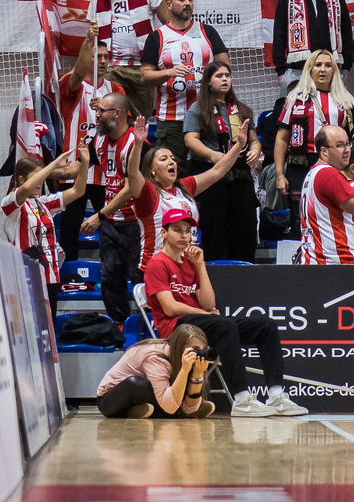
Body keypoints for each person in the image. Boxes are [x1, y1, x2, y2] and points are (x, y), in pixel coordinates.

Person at [144, 207, 306, 417]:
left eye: (187, 231)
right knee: (225, 324)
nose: (184, 236)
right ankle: (242, 399)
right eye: (177, 230)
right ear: (164, 233)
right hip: (176, 329)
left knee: (266, 326)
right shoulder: (157, 263)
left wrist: (200, 266)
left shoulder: (191, 264)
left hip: (197, 324)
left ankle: (275, 395)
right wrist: (206, 314)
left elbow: (208, 303)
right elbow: (170, 308)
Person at [274, 50, 354, 239]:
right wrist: (280, 174)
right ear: (309, 69)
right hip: (301, 165)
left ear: (334, 70)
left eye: (328, 65)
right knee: (299, 218)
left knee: (336, 214)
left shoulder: (347, 100)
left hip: (337, 165)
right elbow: (281, 138)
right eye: (318, 65)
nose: (323, 69)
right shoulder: (294, 99)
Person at [133, 131, 249, 271]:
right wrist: (138, 145)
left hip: (189, 269)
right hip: (157, 269)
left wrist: (239, 144)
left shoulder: (185, 187)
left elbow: (217, 171)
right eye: (164, 159)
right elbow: (133, 174)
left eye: (172, 158)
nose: (171, 162)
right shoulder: (147, 193)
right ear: (152, 169)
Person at [182, 63, 262, 263]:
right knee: (214, 225)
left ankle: (244, 267)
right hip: (209, 173)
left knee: (245, 225)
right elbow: (190, 140)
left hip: (239, 173)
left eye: (227, 75)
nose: (225, 79)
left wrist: (255, 150)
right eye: (219, 76)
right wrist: (212, 154)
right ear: (209, 82)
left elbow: (253, 140)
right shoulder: (197, 108)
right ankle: (215, 270)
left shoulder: (241, 109)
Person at [140, 0, 230, 158]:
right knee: (174, 169)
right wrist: (169, 73)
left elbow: (225, 65)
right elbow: (144, 76)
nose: (187, 3)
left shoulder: (207, 31)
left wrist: (211, 76)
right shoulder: (157, 37)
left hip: (207, 114)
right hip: (172, 118)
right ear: (169, 4)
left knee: (208, 166)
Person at [80, 94, 147, 327]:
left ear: (117, 113)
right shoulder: (98, 141)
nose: (97, 115)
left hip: (135, 223)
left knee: (139, 278)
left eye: (102, 111)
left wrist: (99, 215)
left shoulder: (137, 143)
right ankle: (119, 327)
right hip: (110, 223)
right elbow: (77, 168)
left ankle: (148, 327)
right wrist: (47, 171)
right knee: (109, 279)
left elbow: (130, 189)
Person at [2, 146, 88, 311]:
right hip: (27, 276)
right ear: (21, 179)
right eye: (37, 177)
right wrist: (54, 164)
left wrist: (85, 162)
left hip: (50, 275)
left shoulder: (44, 202)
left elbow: (78, 191)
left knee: (50, 324)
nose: (41, 182)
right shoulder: (11, 203)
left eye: (43, 177)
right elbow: (24, 190)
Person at [58, 34, 120, 262]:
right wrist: (88, 38)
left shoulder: (115, 90)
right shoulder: (71, 83)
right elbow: (76, 75)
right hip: (74, 171)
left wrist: (106, 112)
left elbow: (122, 128)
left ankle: (111, 272)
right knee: (70, 227)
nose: (102, 61)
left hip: (105, 172)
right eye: (97, 56)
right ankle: (70, 272)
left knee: (111, 228)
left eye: (106, 57)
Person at [91, 0, 172, 119]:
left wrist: (165, 58)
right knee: (109, 116)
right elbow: (92, 38)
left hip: (142, 67)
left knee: (140, 117)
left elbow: (170, 25)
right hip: (111, 67)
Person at [299, 125, 354, 265]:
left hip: (320, 261)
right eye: (339, 146)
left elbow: (336, 201)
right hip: (338, 262)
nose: (347, 150)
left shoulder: (313, 173)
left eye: (347, 144)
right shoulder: (329, 174)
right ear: (324, 151)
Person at [96, 323, 216, 419]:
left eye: (203, 349)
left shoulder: (179, 356)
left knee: (203, 384)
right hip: (110, 400)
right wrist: (184, 370)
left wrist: (198, 374)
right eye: (195, 350)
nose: (199, 354)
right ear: (179, 347)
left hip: (153, 396)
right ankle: (180, 413)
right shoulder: (156, 358)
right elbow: (170, 406)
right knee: (137, 384)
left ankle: (138, 411)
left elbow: (185, 402)